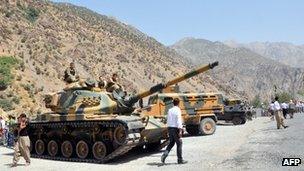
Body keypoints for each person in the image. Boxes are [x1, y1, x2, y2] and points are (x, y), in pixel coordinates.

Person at [161, 98, 187, 164]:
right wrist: (180, 131)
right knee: (179, 144)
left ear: (173, 103)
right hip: (176, 129)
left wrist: (168, 129)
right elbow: (179, 120)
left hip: (170, 128)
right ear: (179, 103)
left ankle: (164, 154)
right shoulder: (178, 110)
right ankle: (180, 160)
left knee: (171, 143)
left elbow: (168, 120)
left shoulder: (170, 110)